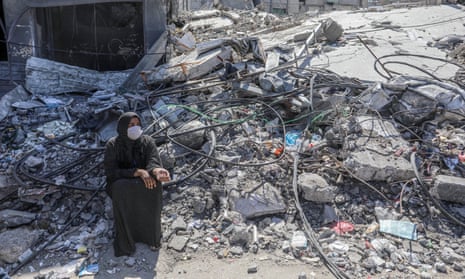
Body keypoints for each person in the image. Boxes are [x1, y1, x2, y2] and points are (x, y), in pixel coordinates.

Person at [103, 111, 170, 257]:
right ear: (122, 127)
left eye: (137, 124)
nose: (135, 128)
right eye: (131, 125)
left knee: (155, 186)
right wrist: (137, 172)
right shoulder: (113, 145)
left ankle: (151, 237)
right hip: (121, 182)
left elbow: (153, 160)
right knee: (120, 187)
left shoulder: (147, 141)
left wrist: (157, 171)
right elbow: (112, 172)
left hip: (143, 179)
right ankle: (127, 239)